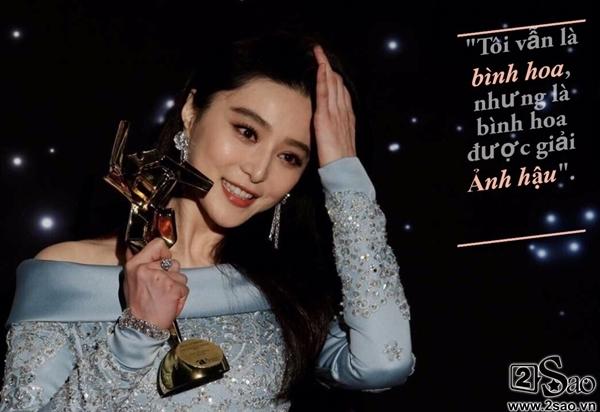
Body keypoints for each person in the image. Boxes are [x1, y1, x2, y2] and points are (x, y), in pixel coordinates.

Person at [0, 31, 415, 411]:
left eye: (289, 157)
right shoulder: (69, 275)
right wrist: (136, 335)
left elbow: (385, 362)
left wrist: (344, 174)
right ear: (191, 111)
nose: (258, 171)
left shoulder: (285, 293)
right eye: (247, 132)